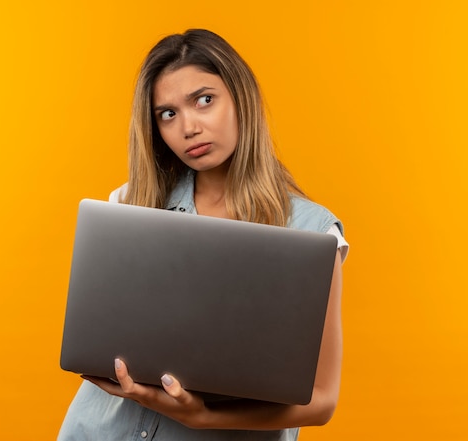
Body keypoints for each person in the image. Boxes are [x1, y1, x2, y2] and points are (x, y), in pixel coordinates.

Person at [58, 29, 349, 441]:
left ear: (240, 99)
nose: (188, 127)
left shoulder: (311, 232)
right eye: (168, 114)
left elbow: (321, 400)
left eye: (204, 100)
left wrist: (204, 417)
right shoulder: (131, 205)